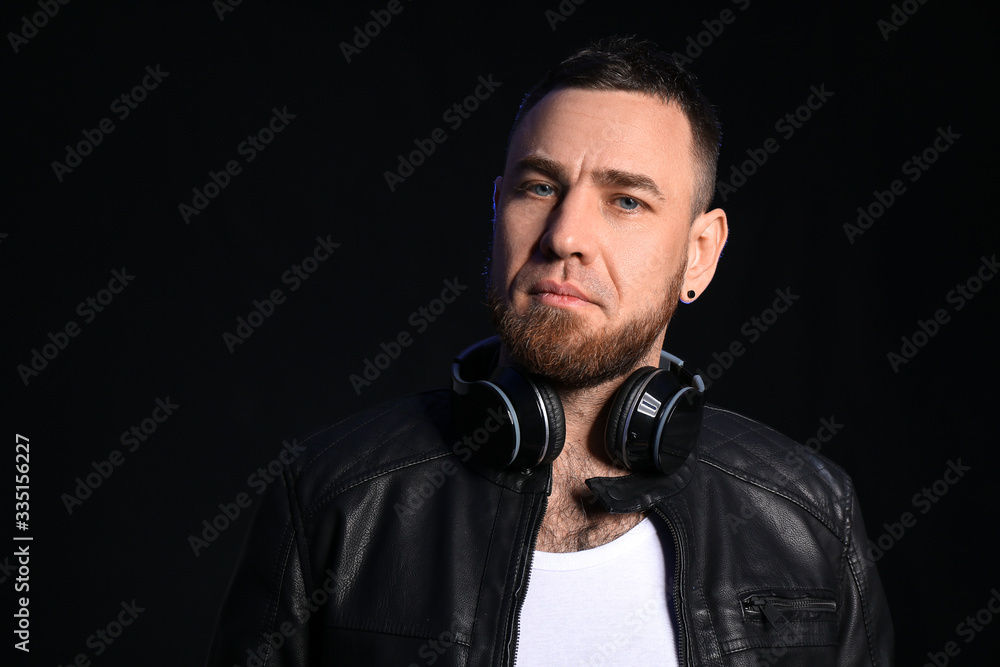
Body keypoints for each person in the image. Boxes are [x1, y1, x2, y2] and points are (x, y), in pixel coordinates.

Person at [206, 36, 894, 666]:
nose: (565, 234)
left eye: (625, 201)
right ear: (498, 210)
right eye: (540, 188)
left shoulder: (808, 516)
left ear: (700, 255)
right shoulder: (333, 502)